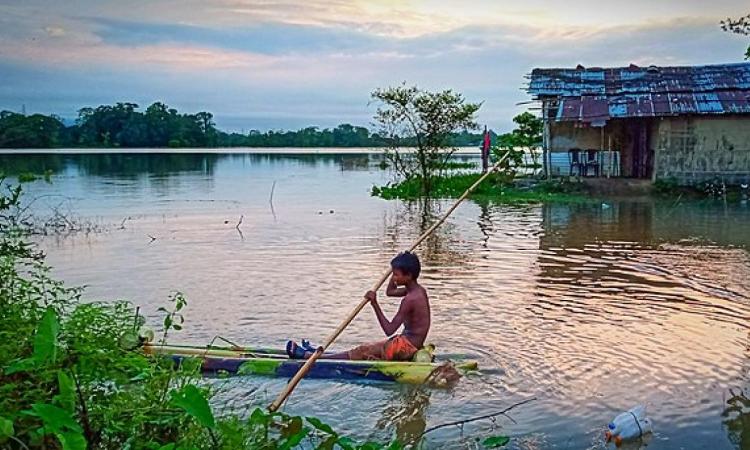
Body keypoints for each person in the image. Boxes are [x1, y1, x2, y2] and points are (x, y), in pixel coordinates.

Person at [286, 251, 430, 361]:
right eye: (393, 274)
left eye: (396, 275)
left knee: (362, 351)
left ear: (409, 275)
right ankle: (318, 354)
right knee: (367, 347)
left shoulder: (410, 299)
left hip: (406, 347)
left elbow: (389, 329)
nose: (394, 278)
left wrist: (374, 304)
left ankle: (309, 357)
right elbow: (390, 292)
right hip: (407, 342)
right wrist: (393, 272)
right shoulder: (417, 290)